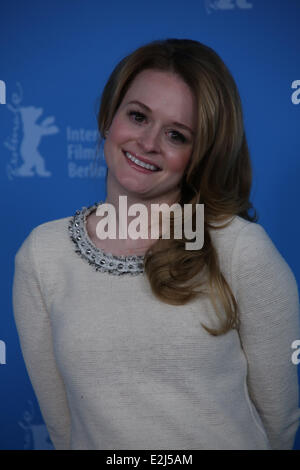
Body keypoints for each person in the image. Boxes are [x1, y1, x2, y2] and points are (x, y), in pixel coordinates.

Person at [12, 38, 300, 450]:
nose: (148, 143)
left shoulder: (242, 250)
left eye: (177, 135)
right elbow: (64, 426)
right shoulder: (43, 254)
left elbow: (278, 421)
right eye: (137, 116)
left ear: (201, 153)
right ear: (108, 118)